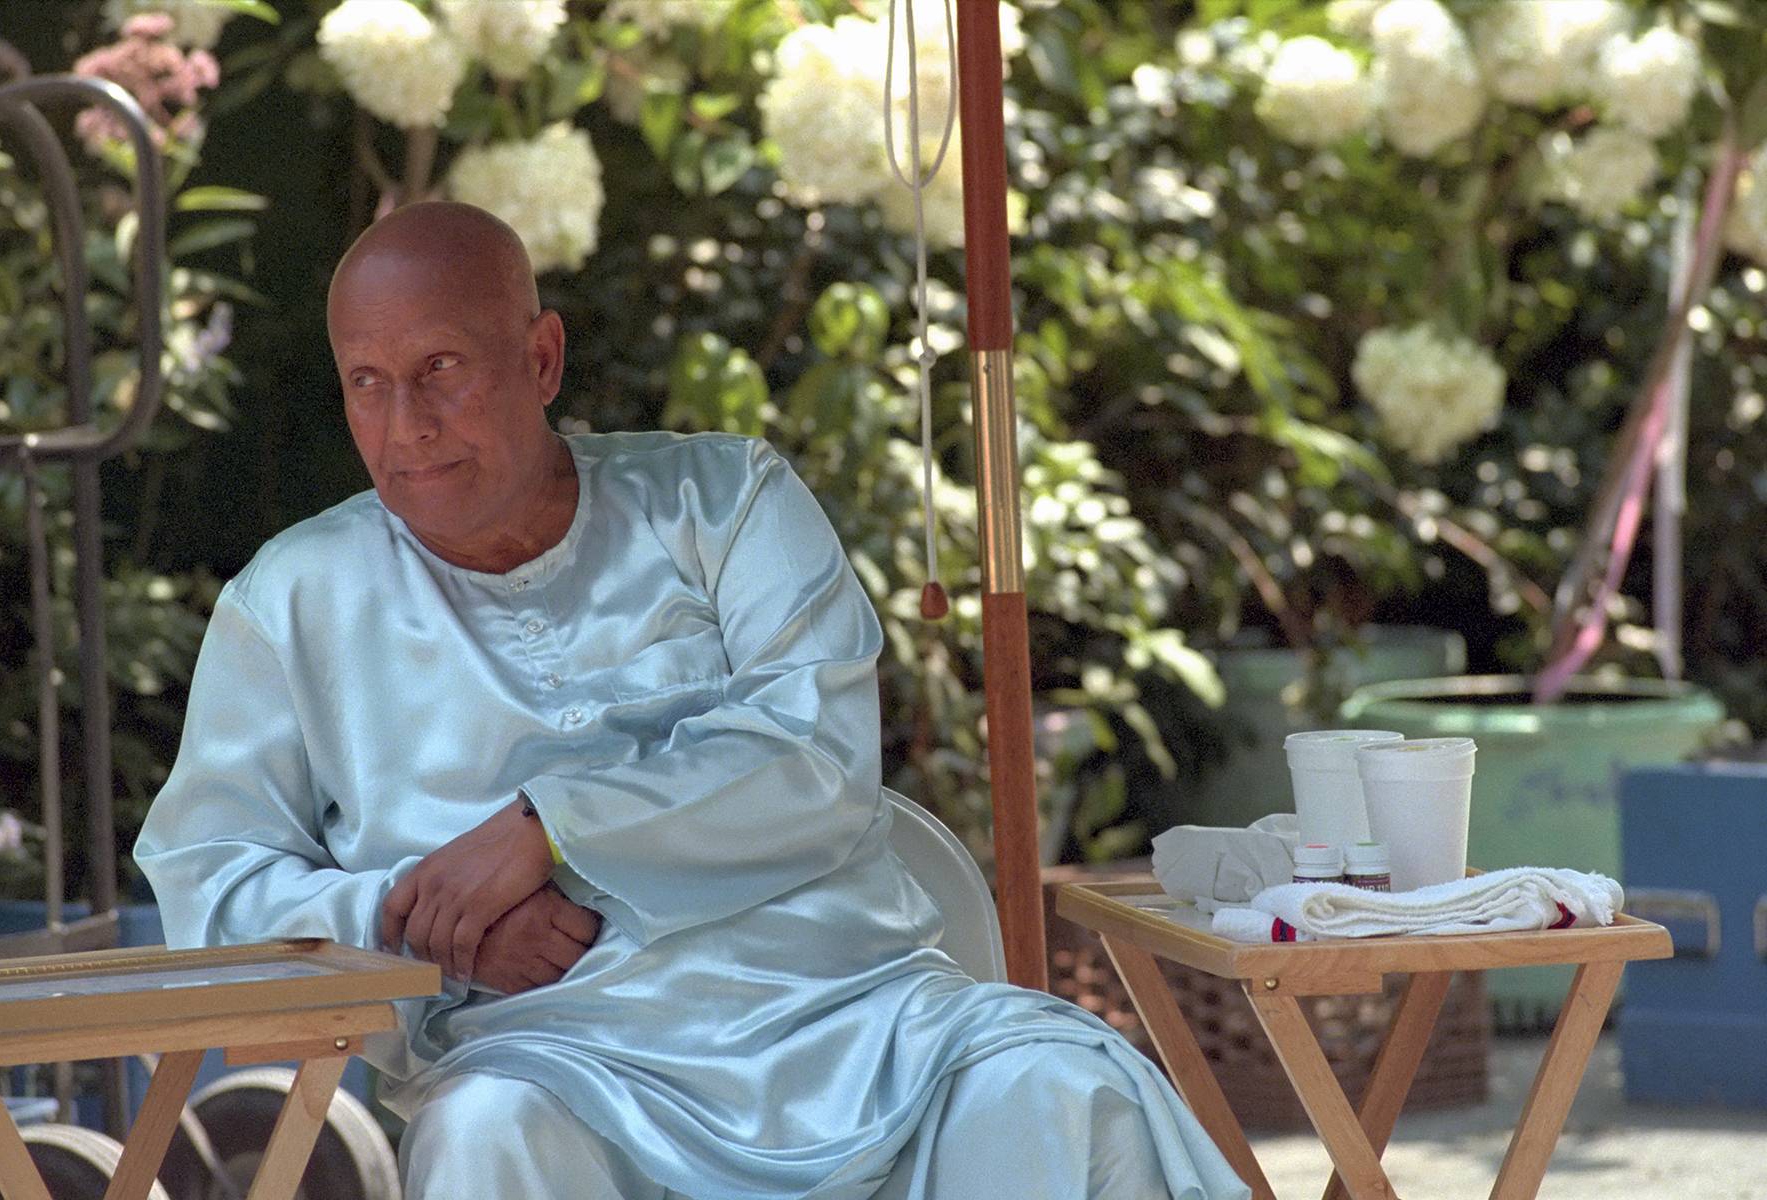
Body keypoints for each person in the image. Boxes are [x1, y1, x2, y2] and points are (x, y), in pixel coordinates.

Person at [135, 202, 1247, 1200]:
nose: (405, 423)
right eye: (366, 382)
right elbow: (210, 889)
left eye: (441, 367)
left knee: (1062, 1088)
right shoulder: (290, 601)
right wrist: (425, 923)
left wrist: (544, 831)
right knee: (485, 1134)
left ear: (541, 357)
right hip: (555, 1053)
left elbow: (816, 757)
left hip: (854, 1014)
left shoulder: (724, 501)